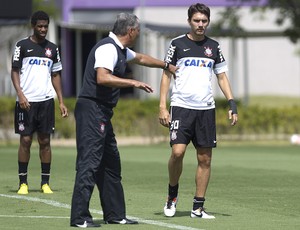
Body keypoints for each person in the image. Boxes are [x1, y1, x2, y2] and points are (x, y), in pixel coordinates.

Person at [70, 12, 177, 228]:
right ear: (131, 31)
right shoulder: (107, 48)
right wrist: (133, 83)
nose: (138, 33)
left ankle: (115, 214)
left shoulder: (120, 49)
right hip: (92, 108)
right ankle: (79, 217)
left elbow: (140, 58)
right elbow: (102, 77)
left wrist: (167, 65)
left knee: (110, 164)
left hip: (102, 113)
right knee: (89, 163)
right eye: (138, 30)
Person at [159, 3, 238, 219]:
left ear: (208, 22)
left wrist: (232, 103)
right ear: (189, 22)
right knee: (177, 152)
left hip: (205, 110)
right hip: (181, 107)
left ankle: (198, 207)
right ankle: (172, 196)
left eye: (204, 21)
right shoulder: (176, 45)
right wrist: (162, 106)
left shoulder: (214, 47)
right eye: (196, 21)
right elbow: (166, 76)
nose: (200, 24)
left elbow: (221, 76)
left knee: (205, 159)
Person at [11, 11, 68, 195]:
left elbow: (56, 74)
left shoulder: (53, 49)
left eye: (45, 26)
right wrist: (20, 94)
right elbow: (15, 71)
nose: (43, 29)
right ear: (33, 26)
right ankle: (23, 183)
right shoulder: (22, 46)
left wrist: (61, 101)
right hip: (26, 101)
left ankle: (45, 183)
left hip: (45, 102)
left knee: (45, 141)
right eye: (40, 26)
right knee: (25, 140)